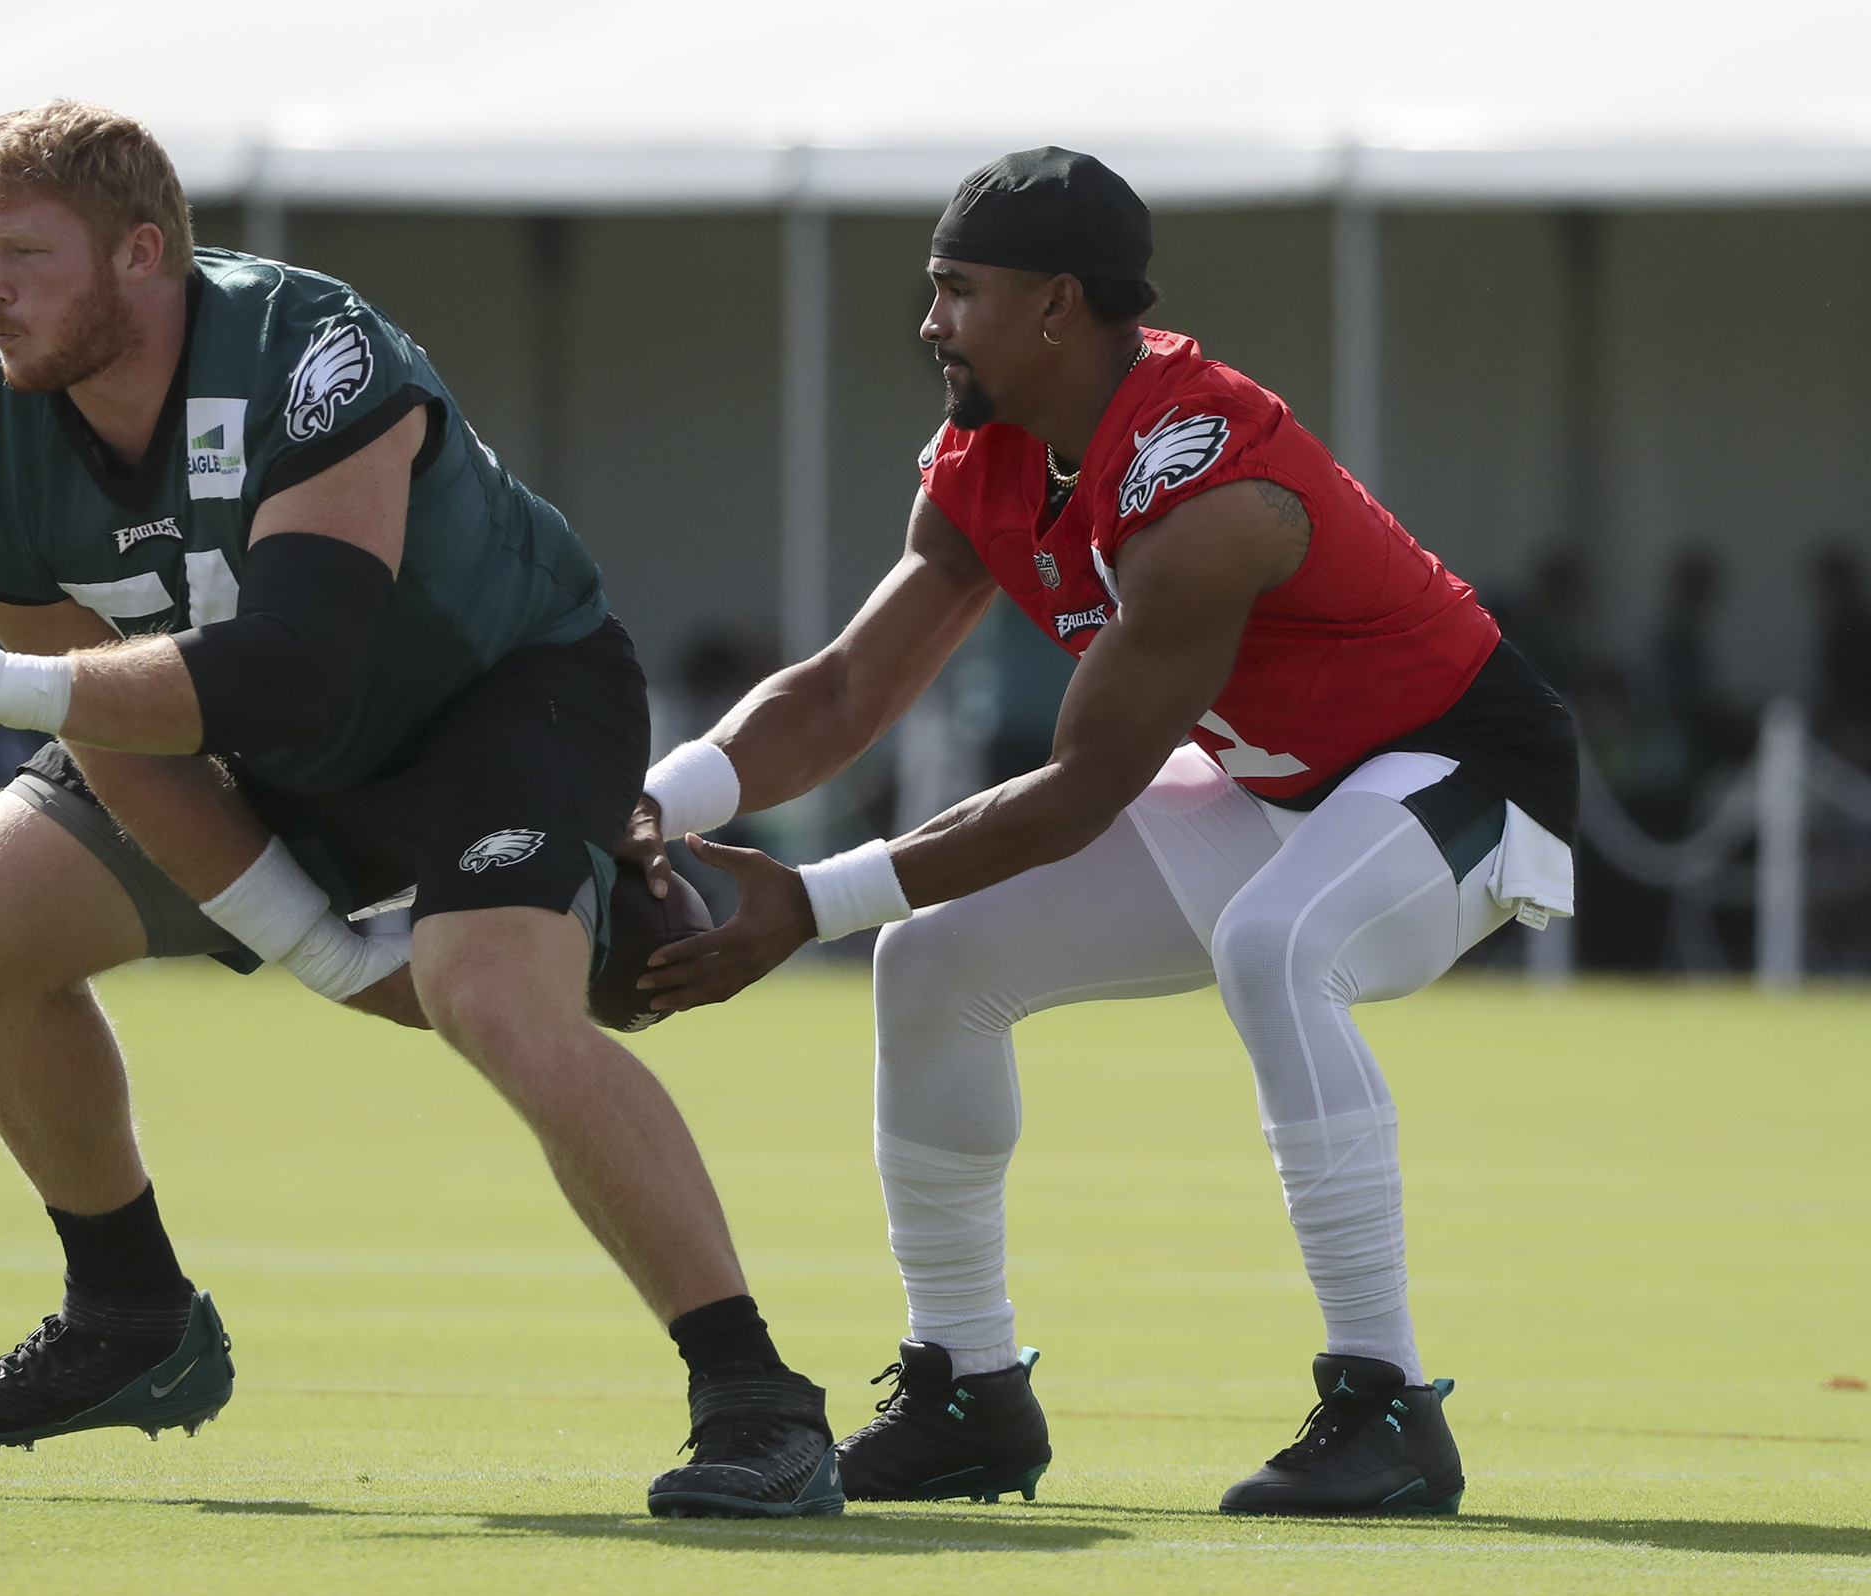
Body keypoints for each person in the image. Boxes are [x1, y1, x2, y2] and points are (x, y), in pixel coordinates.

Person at [0, 101, 839, 1520]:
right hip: (242, 748)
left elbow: (299, 661)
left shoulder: (310, 348)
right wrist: (323, 950)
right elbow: (106, 737)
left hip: (492, 699)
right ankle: (130, 1317)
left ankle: (758, 1400)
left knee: (493, 996)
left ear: (142, 254)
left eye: (29, 252)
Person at [624, 148, 1578, 1516]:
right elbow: (845, 688)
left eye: (957, 289)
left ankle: (1387, 1402)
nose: (930, 319)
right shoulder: (994, 447)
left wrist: (815, 902)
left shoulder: (1209, 478)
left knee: (1276, 940)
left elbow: (1083, 783)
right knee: (937, 963)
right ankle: (967, 1393)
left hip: (1462, 769)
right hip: (1282, 783)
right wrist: (655, 807)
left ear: (1059, 305)